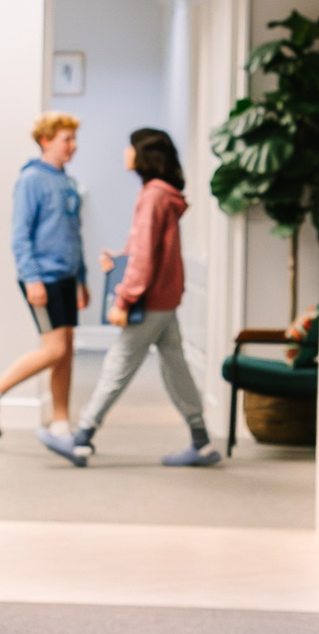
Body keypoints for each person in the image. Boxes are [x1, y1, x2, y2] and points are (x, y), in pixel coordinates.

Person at [59, 128, 220, 468]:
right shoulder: (162, 194)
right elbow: (146, 250)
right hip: (165, 298)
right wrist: (118, 260)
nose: (124, 152)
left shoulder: (152, 196)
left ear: (144, 155)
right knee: (176, 368)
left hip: (150, 301)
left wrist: (124, 299)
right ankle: (201, 441)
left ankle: (81, 436)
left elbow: (145, 257)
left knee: (118, 365)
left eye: (130, 147)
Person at [0, 113, 89, 453]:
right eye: (66, 139)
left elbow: (73, 235)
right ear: (46, 140)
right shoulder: (31, 180)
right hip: (43, 279)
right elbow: (20, 235)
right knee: (55, 350)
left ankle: (61, 423)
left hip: (67, 277)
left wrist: (81, 279)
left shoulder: (67, 181)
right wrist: (32, 278)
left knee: (65, 353)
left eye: (74, 140)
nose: (72, 146)